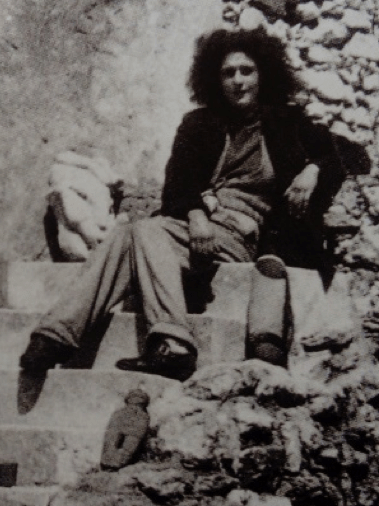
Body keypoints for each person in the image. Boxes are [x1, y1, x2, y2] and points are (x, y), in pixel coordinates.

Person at [17, 27, 344, 414]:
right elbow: (177, 184)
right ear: (214, 79)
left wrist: (313, 170)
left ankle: (64, 334)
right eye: (228, 73)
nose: (238, 81)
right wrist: (196, 215)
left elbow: (345, 155)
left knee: (138, 232)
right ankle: (79, 338)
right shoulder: (199, 124)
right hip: (195, 228)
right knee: (132, 234)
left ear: (264, 74)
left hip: (244, 235)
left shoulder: (288, 123)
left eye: (247, 70)